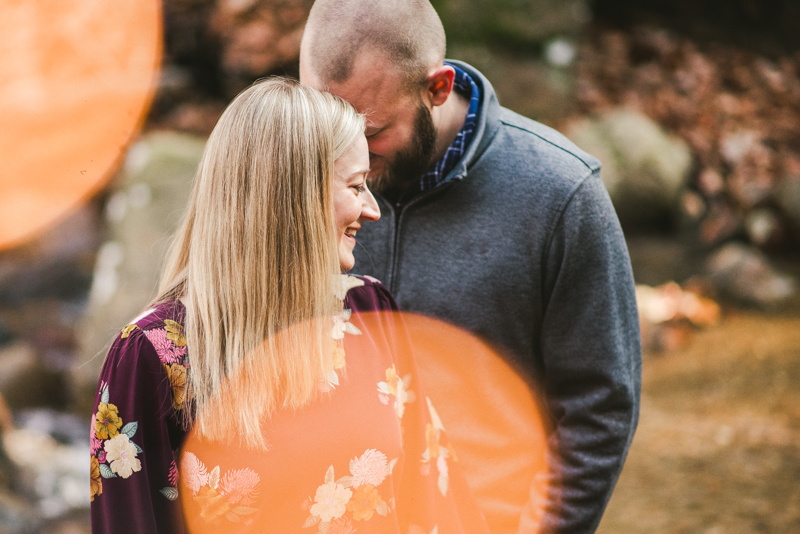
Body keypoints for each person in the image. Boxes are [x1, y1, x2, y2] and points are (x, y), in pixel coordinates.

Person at [89, 78, 490, 534]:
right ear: (295, 196)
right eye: (356, 186)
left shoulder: (367, 310)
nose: (372, 209)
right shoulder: (155, 354)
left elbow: (435, 493)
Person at [298, 2, 642, 533]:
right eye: (323, 126)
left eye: (368, 134)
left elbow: (599, 408)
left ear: (437, 89)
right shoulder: (299, 176)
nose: (344, 158)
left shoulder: (561, 195)